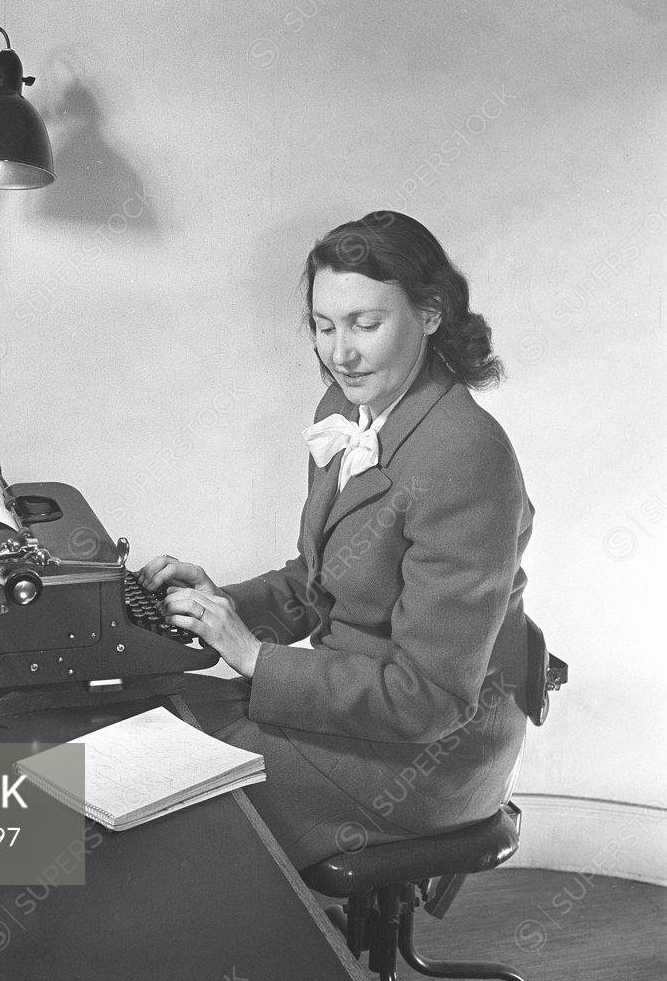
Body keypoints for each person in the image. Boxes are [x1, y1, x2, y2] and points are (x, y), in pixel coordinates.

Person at [139, 211, 534, 871]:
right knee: (148, 725)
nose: (338, 353)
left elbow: (428, 701)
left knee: (169, 815)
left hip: (421, 758)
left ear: (430, 313)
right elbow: (319, 577)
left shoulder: (466, 455)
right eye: (324, 326)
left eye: (364, 324)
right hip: (349, 709)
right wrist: (219, 605)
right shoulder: (344, 410)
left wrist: (253, 657)